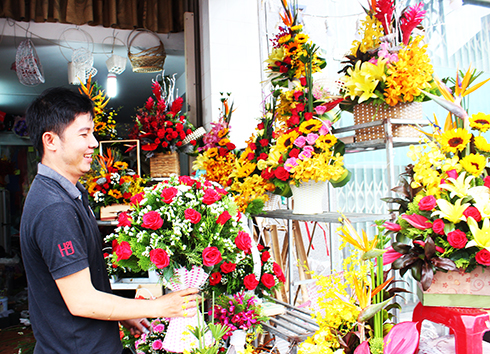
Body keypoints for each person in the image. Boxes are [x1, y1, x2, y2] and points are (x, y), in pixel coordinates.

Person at [20, 87, 198, 354]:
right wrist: (159, 305)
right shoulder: (54, 208)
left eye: (92, 132)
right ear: (51, 141)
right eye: (84, 134)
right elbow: (81, 301)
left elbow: (83, 285)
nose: (93, 142)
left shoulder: (70, 193)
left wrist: (123, 313)